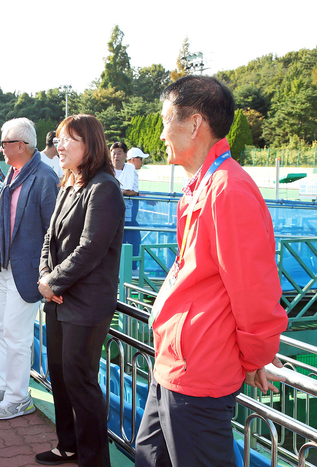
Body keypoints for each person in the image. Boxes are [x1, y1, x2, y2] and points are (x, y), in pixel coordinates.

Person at [134, 76, 289, 467]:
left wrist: (256, 357)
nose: (161, 130)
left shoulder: (227, 189)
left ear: (194, 124)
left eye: (166, 118)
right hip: (178, 363)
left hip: (198, 372)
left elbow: (254, 292)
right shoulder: (205, 184)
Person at [36, 115, 125, 467]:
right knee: (59, 373)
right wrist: (46, 276)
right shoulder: (70, 183)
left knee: (80, 380)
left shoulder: (104, 187)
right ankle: (67, 444)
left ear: (90, 143)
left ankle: (94, 458)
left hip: (86, 304)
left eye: (68, 140)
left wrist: (52, 282)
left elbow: (90, 248)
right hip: (59, 299)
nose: (60, 146)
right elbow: (50, 239)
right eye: (59, 140)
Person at [0, 118, 58, 419]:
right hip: (4, 266)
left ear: (20, 145)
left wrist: (48, 273)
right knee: (0, 329)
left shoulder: (44, 177)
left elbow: (53, 231)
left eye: (4, 143)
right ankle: (5, 386)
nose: (0, 149)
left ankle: (19, 397)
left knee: (16, 333)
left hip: (27, 271)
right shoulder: (14, 174)